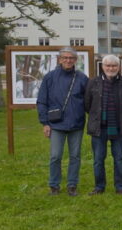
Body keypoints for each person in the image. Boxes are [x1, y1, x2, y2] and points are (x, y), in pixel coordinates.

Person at [36, 47, 88, 196]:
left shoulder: (82, 78)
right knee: (55, 156)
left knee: (75, 156)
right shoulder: (50, 77)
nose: (68, 60)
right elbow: (41, 101)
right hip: (56, 124)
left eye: (71, 58)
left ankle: (72, 185)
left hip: (76, 124)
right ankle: (54, 185)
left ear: (76, 60)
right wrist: (44, 122)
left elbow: (89, 100)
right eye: (65, 57)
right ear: (59, 59)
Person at [84, 54, 122, 195]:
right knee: (98, 159)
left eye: (114, 66)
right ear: (102, 66)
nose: (111, 68)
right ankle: (99, 187)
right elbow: (88, 104)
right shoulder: (93, 82)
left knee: (119, 158)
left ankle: (120, 187)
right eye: (108, 65)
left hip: (119, 127)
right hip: (99, 127)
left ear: (118, 67)